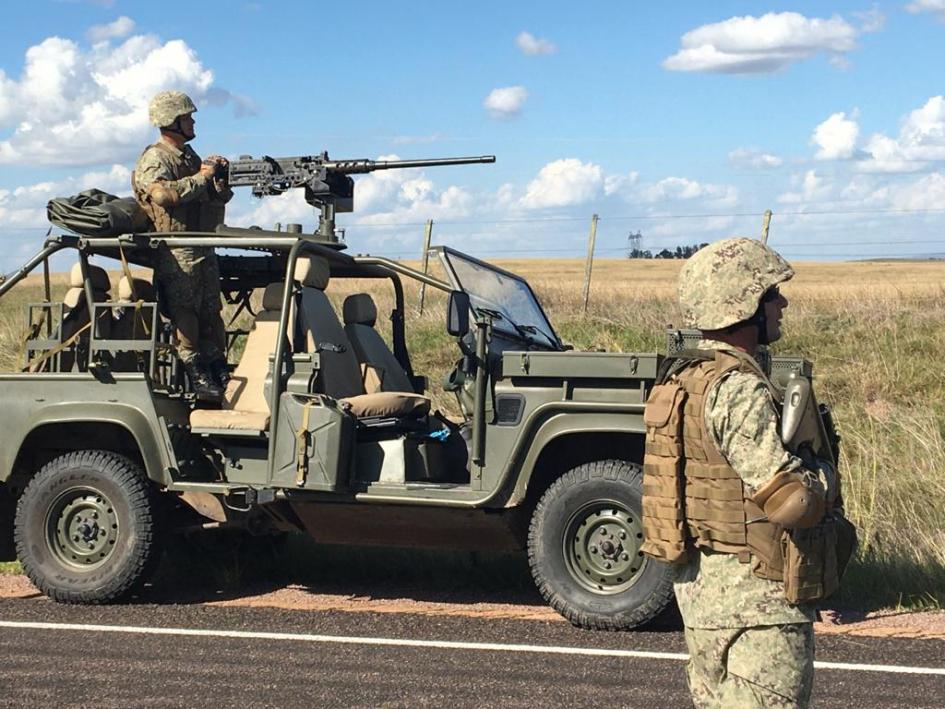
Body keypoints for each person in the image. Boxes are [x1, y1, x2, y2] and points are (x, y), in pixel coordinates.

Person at [641, 237, 835, 708]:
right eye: (771, 294)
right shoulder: (738, 390)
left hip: (705, 597)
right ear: (744, 304)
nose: (782, 302)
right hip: (758, 604)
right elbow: (791, 503)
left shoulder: (684, 379)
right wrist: (824, 474)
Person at [131, 90, 232, 401]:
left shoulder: (189, 157)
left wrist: (219, 180)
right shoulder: (155, 158)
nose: (193, 121)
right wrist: (203, 178)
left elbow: (215, 197)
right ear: (172, 121)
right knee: (186, 315)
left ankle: (218, 367)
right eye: (188, 117)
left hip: (200, 244)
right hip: (177, 249)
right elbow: (163, 196)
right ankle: (196, 372)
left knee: (210, 313)